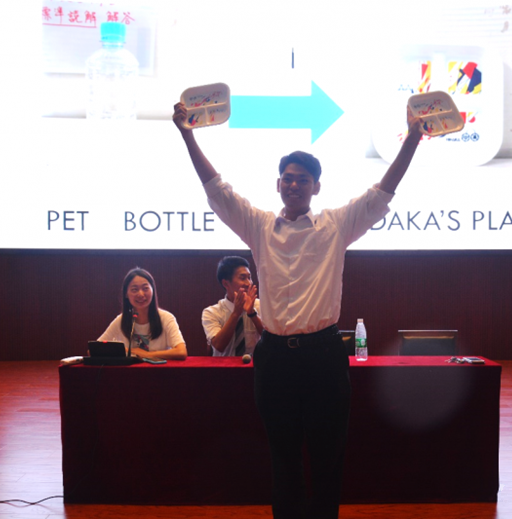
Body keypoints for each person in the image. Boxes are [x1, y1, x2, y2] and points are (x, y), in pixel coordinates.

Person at [173, 102, 424, 519]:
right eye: (288, 179)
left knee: (329, 455)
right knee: (282, 454)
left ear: (316, 187)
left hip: (323, 355)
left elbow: (382, 192)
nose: (294, 185)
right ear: (278, 185)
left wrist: (413, 138)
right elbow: (217, 190)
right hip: (274, 358)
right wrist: (188, 134)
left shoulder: (337, 225)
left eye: (303, 180)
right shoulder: (258, 226)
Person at [98, 267, 187, 361]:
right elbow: (94, 350)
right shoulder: (121, 320)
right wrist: (126, 351)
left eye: (145, 288)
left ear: (153, 290)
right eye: (134, 289)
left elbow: (181, 352)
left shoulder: (166, 318)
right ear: (126, 294)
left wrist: (146, 354)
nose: (141, 294)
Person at [202, 256, 264, 357]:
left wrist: (252, 313)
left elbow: (270, 340)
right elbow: (219, 346)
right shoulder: (211, 312)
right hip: (224, 366)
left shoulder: (260, 306)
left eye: (249, 278)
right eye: (242, 278)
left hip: (255, 365)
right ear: (226, 283)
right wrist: (236, 313)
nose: (248, 283)